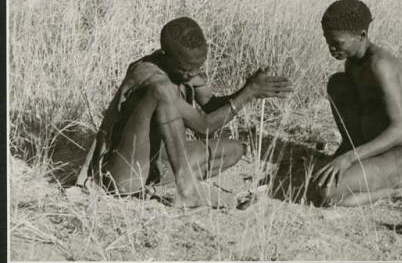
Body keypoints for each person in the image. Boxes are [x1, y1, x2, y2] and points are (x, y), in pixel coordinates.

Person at [77, 17, 293, 208]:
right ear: (166, 56)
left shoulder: (185, 69)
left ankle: (165, 183)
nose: (193, 75)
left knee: (234, 150)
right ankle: (186, 188)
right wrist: (248, 95)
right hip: (124, 172)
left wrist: (248, 88)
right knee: (161, 91)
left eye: (198, 68)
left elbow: (210, 105)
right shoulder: (149, 75)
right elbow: (203, 126)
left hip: (158, 164)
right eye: (187, 70)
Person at [312, 0, 402, 207]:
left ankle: (396, 189)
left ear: (362, 36)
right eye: (327, 40)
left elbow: (400, 129)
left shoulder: (380, 66)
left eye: (338, 43)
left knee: (326, 191)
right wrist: (349, 151)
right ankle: (354, 152)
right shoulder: (353, 62)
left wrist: (349, 159)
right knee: (337, 84)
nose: (330, 48)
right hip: (380, 146)